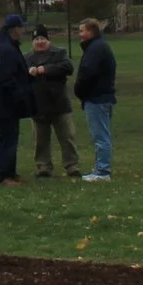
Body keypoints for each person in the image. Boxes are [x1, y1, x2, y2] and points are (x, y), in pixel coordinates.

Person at [0, 14, 34, 183]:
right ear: (14, 29)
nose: (23, 30)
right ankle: (3, 175)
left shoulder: (7, 46)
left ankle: (10, 172)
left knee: (11, 137)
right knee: (8, 139)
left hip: (6, 103)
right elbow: (7, 78)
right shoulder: (5, 49)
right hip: (4, 103)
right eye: (21, 27)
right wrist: (19, 96)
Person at [26, 26, 81, 179]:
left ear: (48, 40)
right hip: (38, 105)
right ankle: (43, 166)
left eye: (42, 39)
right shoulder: (27, 57)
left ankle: (72, 166)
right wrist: (28, 71)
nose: (40, 42)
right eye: (37, 39)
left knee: (67, 137)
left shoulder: (60, 53)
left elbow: (68, 67)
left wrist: (46, 69)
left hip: (59, 103)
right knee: (40, 139)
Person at [73, 18, 116, 181]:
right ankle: (100, 167)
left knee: (100, 136)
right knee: (101, 134)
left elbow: (88, 73)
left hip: (97, 98)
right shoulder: (98, 47)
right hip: (100, 97)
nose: (80, 35)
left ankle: (103, 172)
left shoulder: (95, 49)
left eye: (82, 30)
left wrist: (79, 90)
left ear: (91, 32)